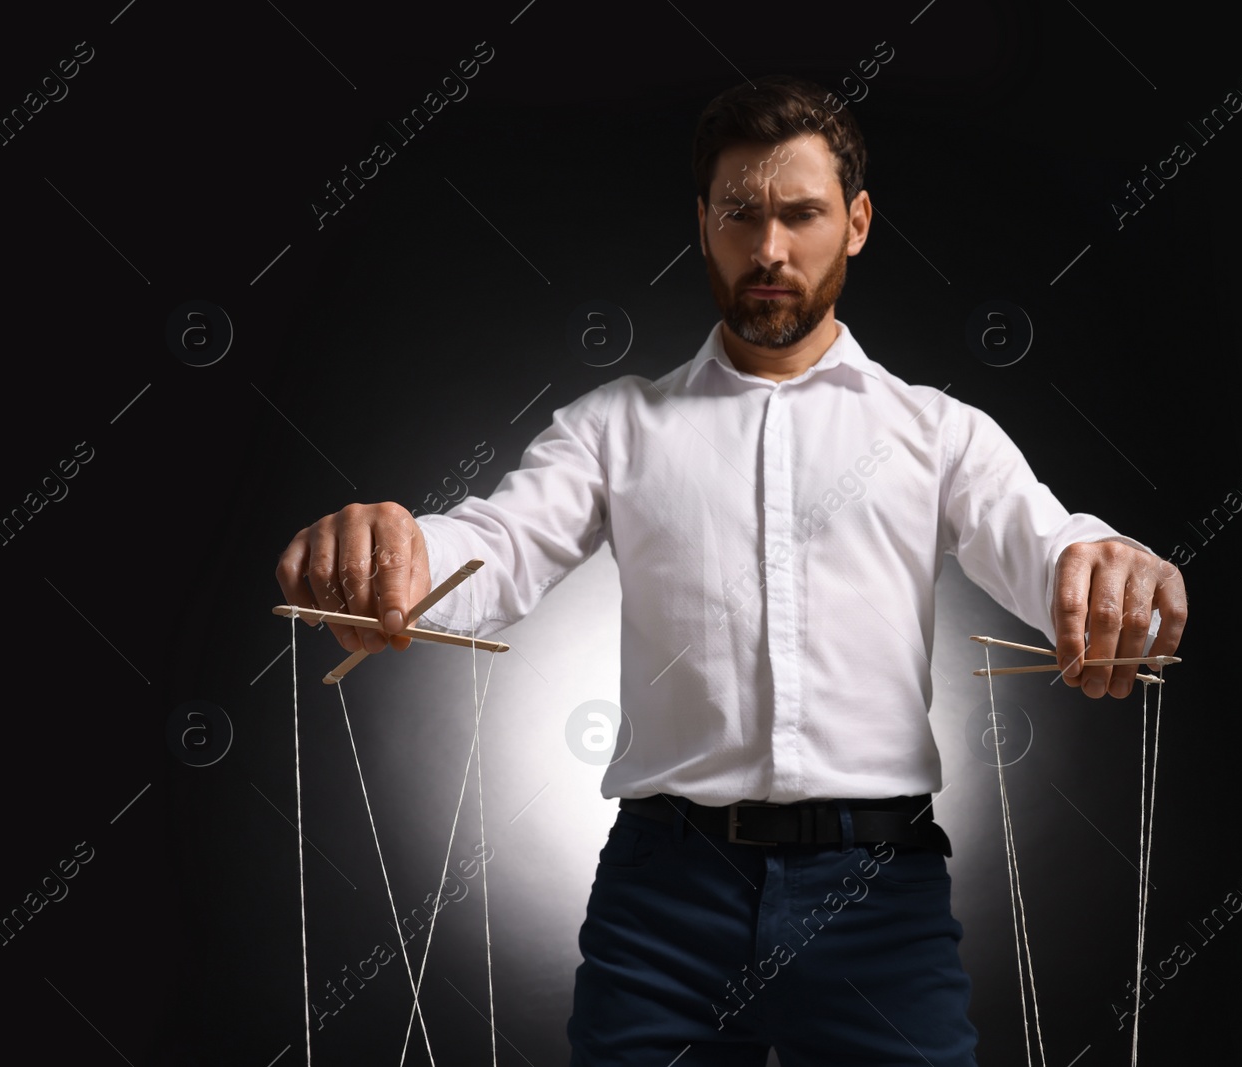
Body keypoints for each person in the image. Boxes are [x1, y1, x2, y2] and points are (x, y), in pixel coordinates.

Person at [276, 74, 1187, 1066]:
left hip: (878, 894)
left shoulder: (937, 433)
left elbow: (1049, 548)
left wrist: (1113, 569)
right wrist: (401, 554)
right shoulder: (614, 428)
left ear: (858, 222)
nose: (769, 250)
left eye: (801, 214)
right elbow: (491, 548)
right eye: (739, 215)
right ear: (701, 225)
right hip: (662, 898)